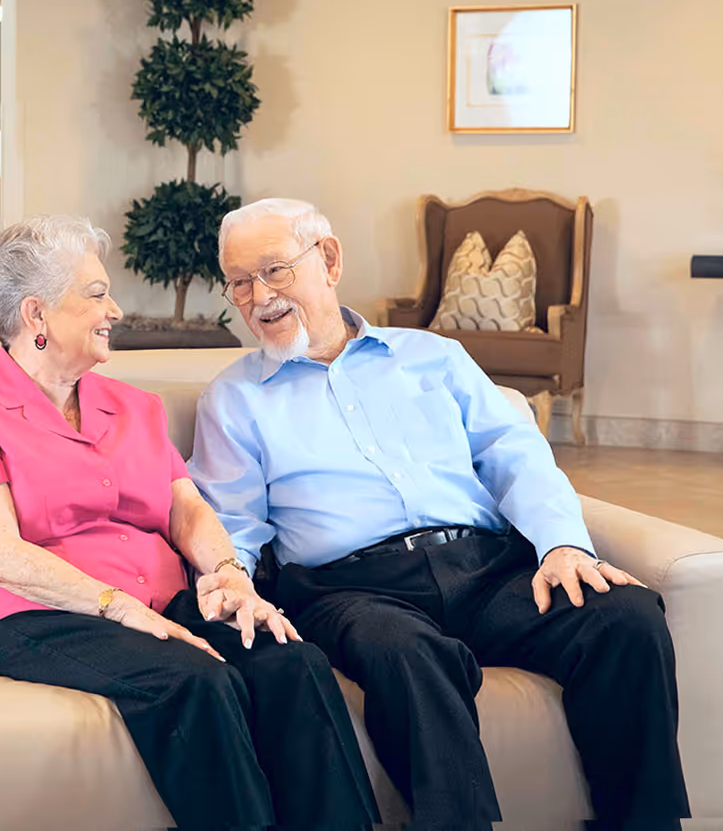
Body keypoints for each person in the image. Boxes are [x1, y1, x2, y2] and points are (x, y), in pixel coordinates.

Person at [189, 198, 688, 831]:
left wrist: (562, 544)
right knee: (406, 654)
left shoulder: (434, 357)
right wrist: (232, 577)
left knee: (625, 617)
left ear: (329, 260)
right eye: (239, 282)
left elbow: (516, 456)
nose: (260, 297)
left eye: (275, 271)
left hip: (487, 569)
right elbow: (230, 520)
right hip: (351, 589)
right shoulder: (233, 400)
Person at [0, 215, 378, 831]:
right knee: (199, 682)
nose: (114, 310)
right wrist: (116, 606)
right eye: (96, 294)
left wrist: (230, 575)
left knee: (290, 660)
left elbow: (187, 509)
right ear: (36, 315)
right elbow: (1, 554)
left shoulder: (134, 407)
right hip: (35, 616)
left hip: (162, 604)